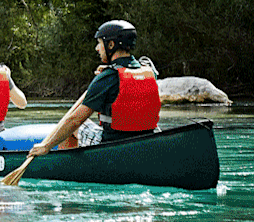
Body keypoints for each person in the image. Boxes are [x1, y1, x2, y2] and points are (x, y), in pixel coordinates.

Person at [28, 20, 160, 157]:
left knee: (75, 126)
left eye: (99, 43)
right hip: (145, 142)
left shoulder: (108, 77)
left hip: (112, 146)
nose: (97, 48)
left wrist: (46, 146)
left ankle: (68, 166)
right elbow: (131, 67)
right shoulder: (149, 72)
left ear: (111, 45)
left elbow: (75, 120)